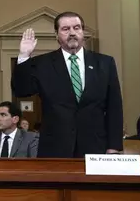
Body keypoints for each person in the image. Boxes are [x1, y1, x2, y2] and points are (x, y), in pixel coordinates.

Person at [12, 11, 123, 157]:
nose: (72, 33)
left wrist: (114, 147)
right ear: (56, 35)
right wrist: (24, 56)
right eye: (65, 29)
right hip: (55, 148)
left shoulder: (104, 63)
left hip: (95, 147)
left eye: (76, 28)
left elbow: (114, 107)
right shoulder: (42, 64)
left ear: (83, 32)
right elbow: (21, 90)